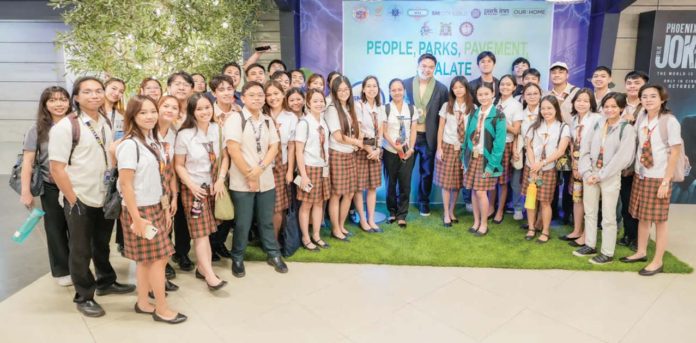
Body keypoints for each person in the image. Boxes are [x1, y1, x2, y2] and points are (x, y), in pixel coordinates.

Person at [49, 77, 135, 317]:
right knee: (80, 249)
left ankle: (106, 281)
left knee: (101, 244)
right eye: (87, 92)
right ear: (76, 97)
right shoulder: (65, 127)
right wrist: (73, 200)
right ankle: (84, 295)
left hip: (103, 195)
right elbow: (57, 168)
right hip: (80, 198)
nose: (95, 95)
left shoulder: (105, 121)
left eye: (98, 91)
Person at [116, 95, 188, 323]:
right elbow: (126, 184)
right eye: (142, 113)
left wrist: (166, 208)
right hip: (140, 211)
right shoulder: (129, 145)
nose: (149, 116)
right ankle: (162, 308)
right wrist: (136, 219)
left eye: (151, 111)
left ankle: (143, 302)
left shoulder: (154, 140)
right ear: (132, 116)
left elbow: (161, 178)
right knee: (160, 258)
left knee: (146, 260)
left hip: (156, 206)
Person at [225, 81, 288, 277]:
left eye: (260, 95)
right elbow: (233, 150)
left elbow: (274, 147)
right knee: (243, 222)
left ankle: (273, 253)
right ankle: (237, 257)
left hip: (266, 179)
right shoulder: (236, 119)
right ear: (242, 98)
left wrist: (260, 170)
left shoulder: (267, 120)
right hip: (242, 181)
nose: (257, 98)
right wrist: (249, 175)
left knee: (266, 220)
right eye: (252, 95)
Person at [622, 84, 683, 276]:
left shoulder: (669, 121)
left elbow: (675, 152)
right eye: (645, 96)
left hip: (659, 177)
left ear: (662, 99)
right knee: (641, 216)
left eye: (653, 96)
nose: (648, 100)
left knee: (660, 221)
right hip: (641, 174)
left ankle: (658, 261)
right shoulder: (642, 118)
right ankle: (641, 252)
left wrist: (666, 180)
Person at [574, 92, 636, 264]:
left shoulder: (627, 129)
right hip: (590, 173)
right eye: (606, 106)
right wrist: (586, 172)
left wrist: (600, 175)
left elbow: (622, 158)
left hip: (609, 175)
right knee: (590, 211)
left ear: (621, 108)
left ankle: (607, 252)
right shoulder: (597, 125)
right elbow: (584, 148)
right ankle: (590, 244)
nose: (609, 110)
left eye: (614, 107)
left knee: (609, 216)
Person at [173, 93, 228, 288]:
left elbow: (224, 156)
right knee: (200, 233)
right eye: (199, 109)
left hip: (214, 187)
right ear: (192, 112)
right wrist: (191, 185)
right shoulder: (184, 134)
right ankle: (210, 275)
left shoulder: (217, 129)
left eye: (207, 107)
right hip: (195, 190)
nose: (205, 112)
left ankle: (201, 268)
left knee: (211, 229)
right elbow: (178, 165)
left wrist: (221, 179)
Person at [20, 86, 72, 286]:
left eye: (62, 99)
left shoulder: (77, 125)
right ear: (45, 105)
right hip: (51, 185)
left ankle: (78, 266)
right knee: (56, 228)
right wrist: (26, 191)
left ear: (69, 102)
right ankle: (62, 271)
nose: (58, 104)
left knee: (78, 228)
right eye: (52, 100)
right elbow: (28, 162)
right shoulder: (37, 130)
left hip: (76, 183)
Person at [403, 53, 449, 216]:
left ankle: (424, 202)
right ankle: (402, 204)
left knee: (427, 171)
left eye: (431, 67)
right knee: (405, 171)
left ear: (435, 68)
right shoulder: (405, 84)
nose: (427, 69)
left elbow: (443, 116)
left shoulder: (442, 88)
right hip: (409, 136)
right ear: (418, 65)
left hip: (429, 137)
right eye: (424, 66)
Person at [522, 95, 571, 243]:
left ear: (556, 109)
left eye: (549, 108)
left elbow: (560, 151)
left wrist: (541, 163)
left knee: (545, 202)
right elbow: (528, 146)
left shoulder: (563, 127)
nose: (546, 111)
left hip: (548, 168)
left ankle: (545, 231)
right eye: (543, 108)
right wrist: (533, 165)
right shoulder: (535, 125)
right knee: (530, 199)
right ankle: (531, 228)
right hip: (531, 168)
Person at [461, 84, 507, 236]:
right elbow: (468, 136)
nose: (483, 97)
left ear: (493, 94)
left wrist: (491, 166)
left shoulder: (498, 115)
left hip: (487, 160)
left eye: (486, 94)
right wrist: (464, 158)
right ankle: (476, 222)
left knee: (481, 192)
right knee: (474, 191)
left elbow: (499, 145)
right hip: (473, 157)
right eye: (480, 95)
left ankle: (484, 224)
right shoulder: (474, 113)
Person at [560, 89, 601, 248]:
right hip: (576, 167)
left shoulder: (597, 119)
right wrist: (575, 165)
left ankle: (586, 235)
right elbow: (572, 144)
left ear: (591, 103)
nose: (581, 103)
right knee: (577, 199)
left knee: (590, 202)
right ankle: (577, 230)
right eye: (578, 100)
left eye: (585, 101)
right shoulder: (574, 120)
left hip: (591, 168)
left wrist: (585, 167)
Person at [207, 74, 240, 259]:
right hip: (215, 167)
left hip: (236, 168)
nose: (226, 93)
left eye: (229, 88)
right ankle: (210, 246)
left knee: (230, 208)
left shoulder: (239, 112)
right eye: (221, 89)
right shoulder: (207, 112)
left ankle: (219, 243)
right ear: (214, 93)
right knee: (214, 210)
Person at [325, 76, 362, 240]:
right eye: (340, 90)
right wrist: (357, 142)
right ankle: (335, 228)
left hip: (350, 154)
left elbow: (354, 132)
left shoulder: (349, 107)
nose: (343, 92)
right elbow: (338, 137)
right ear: (334, 91)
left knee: (349, 193)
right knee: (337, 194)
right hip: (338, 155)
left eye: (346, 89)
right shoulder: (332, 109)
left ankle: (341, 225)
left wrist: (358, 141)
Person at [166, 71, 195, 271]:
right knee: (165, 213)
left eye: (186, 84)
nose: (181, 87)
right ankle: (164, 255)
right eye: (177, 83)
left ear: (192, 89)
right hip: (165, 171)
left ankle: (182, 252)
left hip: (188, 170)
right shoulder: (163, 110)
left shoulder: (194, 112)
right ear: (168, 87)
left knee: (184, 215)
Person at [295, 89, 331, 250]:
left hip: (323, 167)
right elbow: (298, 151)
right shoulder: (304, 123)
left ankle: (316, 235)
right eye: (315, 101)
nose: (319, 103)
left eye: (321, 100)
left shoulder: (323, 122)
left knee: (319, 203)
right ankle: (305, 237)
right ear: (308, 103)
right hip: (309, 169)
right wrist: (303, 175)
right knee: (306, 205)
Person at [435, 76, 473, 227]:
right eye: (455, 87)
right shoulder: (447, 105)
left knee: (457, 182)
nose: (458, 90)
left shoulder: (472, 107)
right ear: (452, 89)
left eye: (461, 87)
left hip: (463, 148)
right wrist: (439, 148)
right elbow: (440, 128)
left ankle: (452, 211)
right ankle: (445, 213)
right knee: (446, 183)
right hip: (448, 146)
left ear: (466, 88)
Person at [618, 70, 649, 250]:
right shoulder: (618, 103)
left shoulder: (647, 106)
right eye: (629, 83)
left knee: (636, 202)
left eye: (636, 83)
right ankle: (628, 234)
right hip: (620, 162)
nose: (632, 86)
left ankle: (638, 237)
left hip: (639, 162)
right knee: (624, 201)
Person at [383, 79, 418, 228]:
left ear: (404, 90)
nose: (397, 92)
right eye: (393, 90)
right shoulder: (385, 109)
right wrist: (395, 146)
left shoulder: (411, 109)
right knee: (390, 183)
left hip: (407, 152)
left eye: (399, 89)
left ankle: (402, 214)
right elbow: (384, 131)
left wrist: (410, 148)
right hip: (390, 151)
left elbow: (413, 130)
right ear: (390, 92)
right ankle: (392, 211)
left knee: (405, 183)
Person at [265, 80, 298, 240]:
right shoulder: (261, 115)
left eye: (276, 93)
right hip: (262, 167)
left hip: (281, 167)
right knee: (265, 208)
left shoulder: (290, 117)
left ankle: (276, 241)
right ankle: (263, 238)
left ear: (283, 94)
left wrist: (290, 171)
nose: (273, 97)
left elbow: (291, 147)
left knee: (278, 207)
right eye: (269, 94)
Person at [547, 62, 578, 225]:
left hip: (570, 145)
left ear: (567, 75)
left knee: (568, 179)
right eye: (554, 72)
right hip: (551, 143)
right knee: (551, 177)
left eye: (561, 72)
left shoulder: (576, 93)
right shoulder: (546, 94)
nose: (557, 75)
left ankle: (567, 213)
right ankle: (550, 211)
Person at [354, 76, 386, 232]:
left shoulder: (381, 108)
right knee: (360, 187)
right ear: (363, 89)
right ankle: (362, 220)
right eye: (368, 86)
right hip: (362, 150)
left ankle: (371, 219)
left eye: (375, 86)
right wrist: (370, 149)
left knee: (372, 187)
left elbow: (381, 130)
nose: (372, 89)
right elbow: (359, 133)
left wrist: (378, 149)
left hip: (376, 150)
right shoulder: (358, 106)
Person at [490, 75, 523, 224]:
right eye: (502, 84)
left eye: (508, 85)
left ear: (514, 87)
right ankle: (490, 207)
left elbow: (516, 130)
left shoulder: (516, 105)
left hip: (505, 145)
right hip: (490, 145)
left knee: (502, 181)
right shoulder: (493, 102)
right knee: (489, 178)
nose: (504, 87)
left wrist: (501, 121)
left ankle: (500, 210)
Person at [156, 95, 181, 281]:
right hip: (148, 190)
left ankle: (163, 267)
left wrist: (174, 196)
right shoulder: (146, 130)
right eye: (166, 106)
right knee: (153, 233)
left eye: (174, 107)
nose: (169, 110)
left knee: (166, 228)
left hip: (166, 188)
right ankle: (154, 277)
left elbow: (171, 168)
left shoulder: (174, 134)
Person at [513, 83, 543, 222]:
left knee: (540, 187)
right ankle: (522, 211)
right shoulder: (521, 113)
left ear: (540, 95)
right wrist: (514, 149)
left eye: (535, 93)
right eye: (528, 94)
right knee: (521, 183)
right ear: (523, 97)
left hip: (542, 156)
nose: (532, 96)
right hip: (524, 153)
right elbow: (517, 134)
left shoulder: (545, 111)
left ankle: (539, 220)